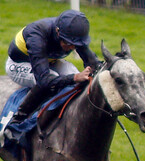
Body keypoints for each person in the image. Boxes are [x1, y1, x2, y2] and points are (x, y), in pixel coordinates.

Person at [4, 10, 99, 144]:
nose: (72, 47)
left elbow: (92, 63)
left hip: (49, 61)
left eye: (75, 45)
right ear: (58, 32)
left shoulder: (72, 33)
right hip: (19, 64)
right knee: (58, 79)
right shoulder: (36, 34)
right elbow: (44, 81)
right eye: (68, 43)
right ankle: (17, 121)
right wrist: (74, 78)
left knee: (76, 75)